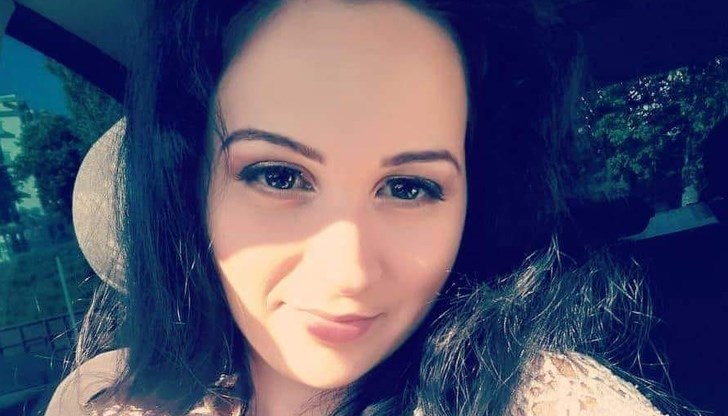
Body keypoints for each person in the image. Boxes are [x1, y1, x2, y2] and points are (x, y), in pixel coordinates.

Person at [46, 0, 695, 415]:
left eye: (409, 187)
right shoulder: (104, 402)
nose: (349, 271)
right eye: (280, 176)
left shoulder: (547, 401)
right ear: (187, 188)